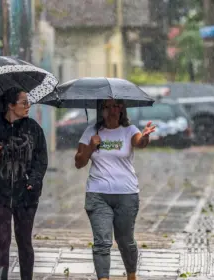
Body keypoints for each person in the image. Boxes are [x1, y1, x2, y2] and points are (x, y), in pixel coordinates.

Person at [0, 87, 48, 280]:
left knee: (24, 242)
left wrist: (34, 181)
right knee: (2, 242)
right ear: (11, 106)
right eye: (23, 102)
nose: (28, 106)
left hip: (27, 195)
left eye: (28, 102)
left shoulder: (33, 128)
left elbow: (41, 159)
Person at [74, 99, 156, 280]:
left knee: (125, 241)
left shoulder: (129, 130)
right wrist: (90, 147)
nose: (113, 110)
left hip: (127, 194)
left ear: (122, 109)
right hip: (98, 194)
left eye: (117, 105)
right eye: (108, 106)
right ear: (100, 110)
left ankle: (132, 275)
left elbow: (139, 142)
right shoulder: (91, 132)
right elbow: (79, 162)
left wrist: (146, 136)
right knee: (102, 242)